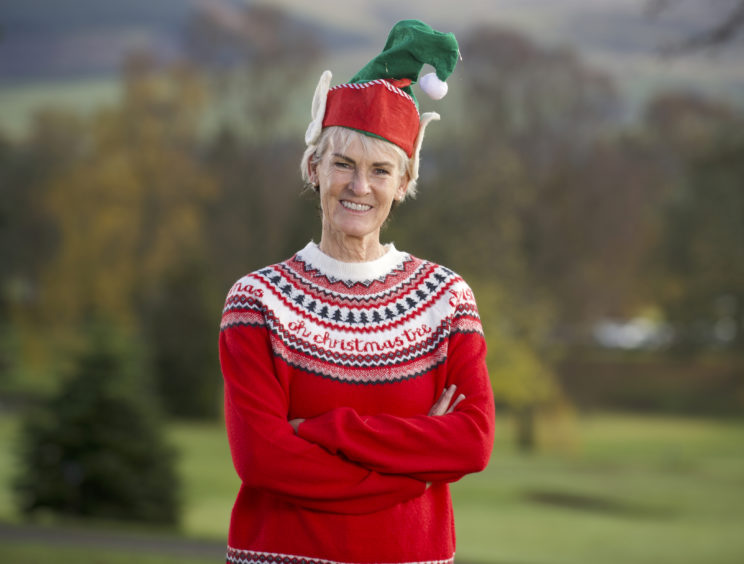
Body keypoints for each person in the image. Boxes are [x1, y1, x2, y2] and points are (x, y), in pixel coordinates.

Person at [219, 19, 495, 564]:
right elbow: (263, 461)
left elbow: (471, 442)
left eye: (381, 170)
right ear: (313, 168)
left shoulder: (447, 300)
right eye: (342, 163)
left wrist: (326, 430)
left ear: (404, 183)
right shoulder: (256, 301)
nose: (360, 187)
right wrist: (414, 467)